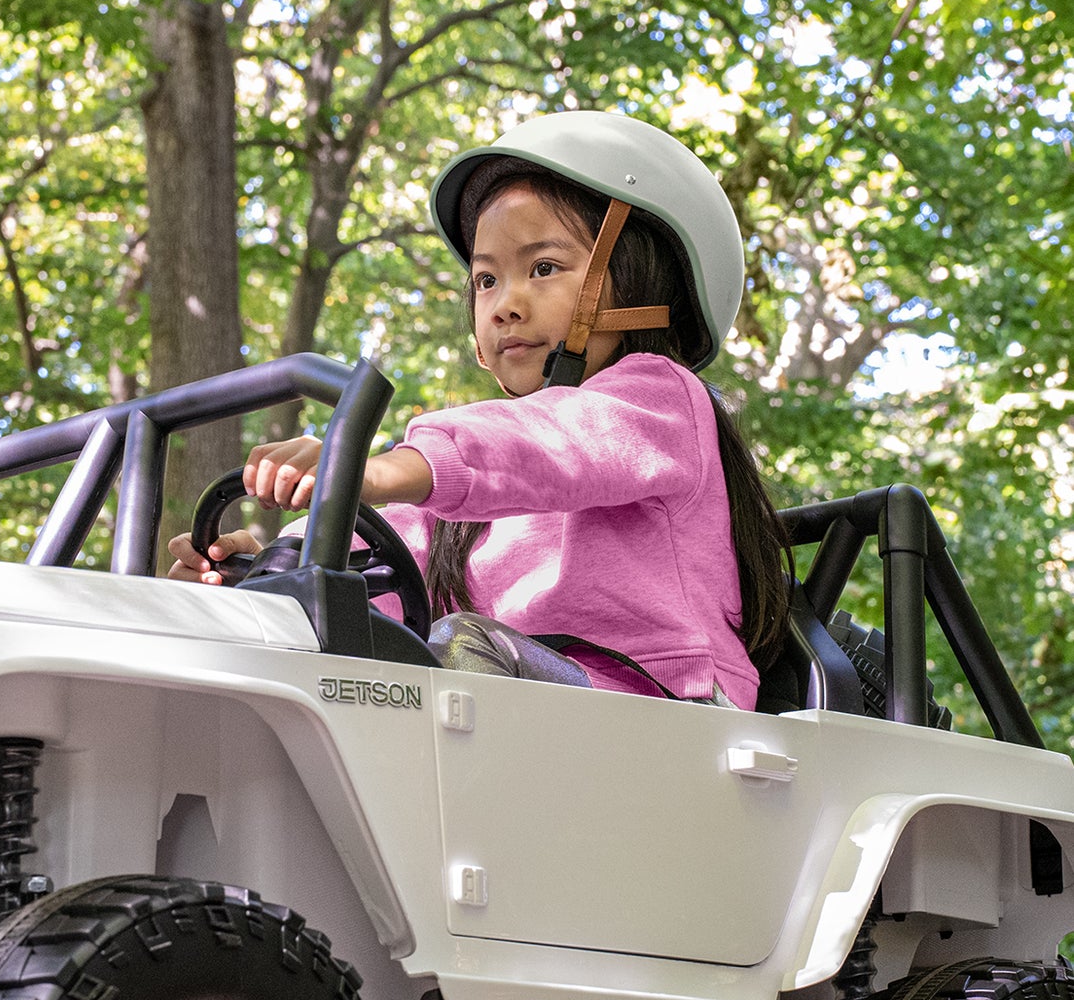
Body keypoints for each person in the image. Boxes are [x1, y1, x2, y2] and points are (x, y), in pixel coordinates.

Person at [167, 111, 791, 708]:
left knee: (462, 650)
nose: (504, 304)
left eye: (542, 268)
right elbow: (379, 571)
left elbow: (555, 443)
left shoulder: (657, 400)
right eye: (487, 279)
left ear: (646, 283)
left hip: (666, 710)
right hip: (513, 702)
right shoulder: (467, 492)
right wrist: (268, 577)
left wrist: (377, 468)